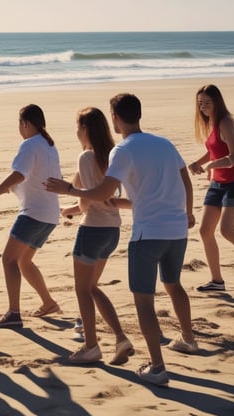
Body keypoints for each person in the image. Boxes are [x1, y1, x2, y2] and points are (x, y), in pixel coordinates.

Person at [45, 93, 199, 386]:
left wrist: (70, 190)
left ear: (115, 117)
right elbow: (184, 180)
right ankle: (188, 340)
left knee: (143, 301)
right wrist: (188, 212)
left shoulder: (124, 150)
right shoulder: (164, 143)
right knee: (172, 283)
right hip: (176, 230)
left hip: (147, 234)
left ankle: (157, 367)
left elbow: (102, 193)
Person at [0, 104, 62, 328]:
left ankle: (14, 313)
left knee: (9, 259)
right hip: (50, 214)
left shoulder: (29, 144)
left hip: (33, 213)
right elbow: (31, 177)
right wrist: (10, 188)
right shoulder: (49, 145)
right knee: (24, 261)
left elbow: (19, 174)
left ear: (25, 124)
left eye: (19, 124)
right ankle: (49, 302)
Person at [61, 107, 134, 365]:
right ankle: (120, 337)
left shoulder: (86, 157)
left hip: (91, 229)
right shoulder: (112, 156)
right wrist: (70, 209)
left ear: (85, 130)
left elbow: (87, 198)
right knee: (92, 287)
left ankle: (91, 346)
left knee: (82, 289)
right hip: (112, 230)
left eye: (78, 127)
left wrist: (74, 204)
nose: (76, 132)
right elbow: (102, 195)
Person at [189, 84, 234, 291]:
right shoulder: (210, 122)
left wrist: (211, 165)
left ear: (217, 102)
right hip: (217, 184)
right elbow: (214, 150)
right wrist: (199, 163)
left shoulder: (226, 122)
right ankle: (217, 281)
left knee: (227, 230)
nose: (203, 107)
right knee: (205, 231)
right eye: (200, 104)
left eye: (207, 103)